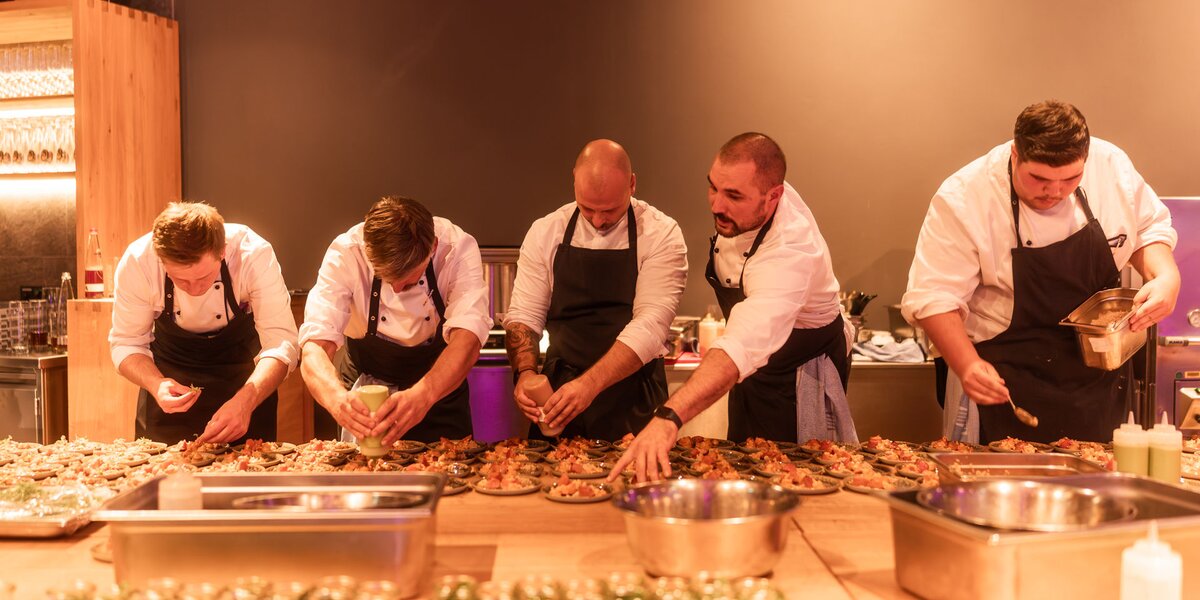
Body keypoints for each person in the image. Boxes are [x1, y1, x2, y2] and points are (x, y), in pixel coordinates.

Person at [902, 100, 1179, 444]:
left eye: (1071, 178)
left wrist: (1166, 277)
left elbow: (1148, 230)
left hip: (1096, 381)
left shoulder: (1112, 167)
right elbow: (934, 297)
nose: (1055, 191)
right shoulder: (965, 197)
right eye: (1039, 178)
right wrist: (967, 364)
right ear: (1015, 154)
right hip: (1004, 380)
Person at [612, 132, 851, 481]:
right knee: (748, 469)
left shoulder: (790, 251)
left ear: (774, 197)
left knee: (798, 481)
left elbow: (742, 342)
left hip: (800, 381)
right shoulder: (756, 191)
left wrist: (669, 417)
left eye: (733, 196)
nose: (716, 206)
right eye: (713, 188)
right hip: (754, 375)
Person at [504, 139, 687, 441]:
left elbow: (650, 325)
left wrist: (589, 385)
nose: (599, 220)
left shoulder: (660, 233)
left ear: (632, 184)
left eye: (611, 210)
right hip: (559, 393)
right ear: (573, 180)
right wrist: (524, 374)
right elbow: (525, 314)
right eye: (587, 208)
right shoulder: (546, 230)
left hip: (634, 394)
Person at [299, 196, 491, 445]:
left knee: (453, 478)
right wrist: (338, 401)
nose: (398, 290)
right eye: (388, 280)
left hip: (438, 390)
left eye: (409, 281)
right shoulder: (346, 252)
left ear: (432, 248)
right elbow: (315, 347)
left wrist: (424, 394)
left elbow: (468, 338)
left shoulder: (456, 248)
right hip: (365, 389)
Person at [110, 201, 299, 444]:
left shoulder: (253, 254)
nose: (195, 289)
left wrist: (246, 401)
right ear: (161, 260)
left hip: (244, 382)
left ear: (222, 252)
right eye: (180, 280)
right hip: (170, 385)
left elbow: (280, 342)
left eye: (203, 277)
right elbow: (126, 343)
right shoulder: (138, 262)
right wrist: (156, 384)